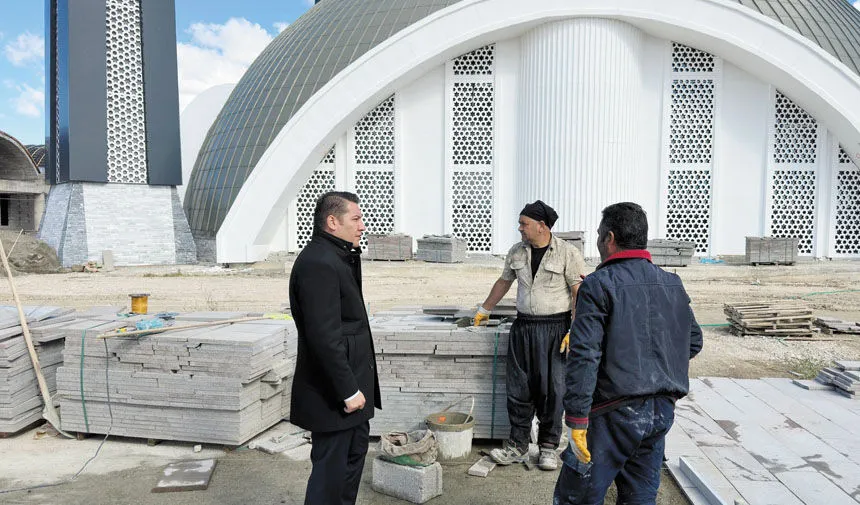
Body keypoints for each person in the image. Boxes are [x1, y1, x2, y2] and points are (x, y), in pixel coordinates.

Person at [554, 202, 703, 505]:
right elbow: (693, 341)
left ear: (609, 238)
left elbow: (585, 356)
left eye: (598, 236)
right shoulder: (671, 282)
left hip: (611, 414)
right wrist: (656, 372)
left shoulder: (598, 285)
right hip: (660, 412)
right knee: (640, 496)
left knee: (577, 497)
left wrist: (578, 419)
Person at [475, 200, 588, 471]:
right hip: (523, 327)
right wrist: (484, 309)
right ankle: (518, 446)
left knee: (552, 390)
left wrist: (576, 328)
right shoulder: (517, 251)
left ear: (542, 226)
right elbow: (504, 281)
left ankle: (548, 447)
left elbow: (578, 292)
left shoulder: (567, 253)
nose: (520, 228)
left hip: (555, 330)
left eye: (524, 224)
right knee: (518, 388)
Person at [289, 191, 381, 505]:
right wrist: (348, 391)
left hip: (351, 389)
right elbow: (323, 337)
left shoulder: (338, 256)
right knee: (330, 475)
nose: (362, 226)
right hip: (335, 395)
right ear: (332, 221)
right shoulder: (319, 263)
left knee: (351, 461)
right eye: (355, 218)